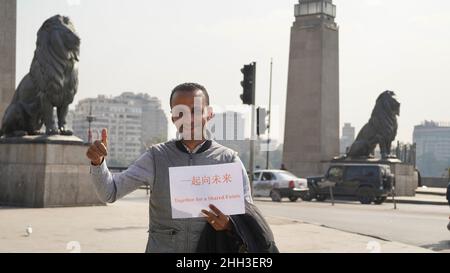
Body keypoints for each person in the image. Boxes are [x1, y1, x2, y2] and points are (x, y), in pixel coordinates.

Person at [86, 83, 253, 252]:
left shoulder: (228, 160)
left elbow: (249, 217)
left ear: (209, 114)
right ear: (173, 117)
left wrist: (230, 225)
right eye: (180, 112)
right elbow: (110, 192)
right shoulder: (156, 157)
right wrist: (98, 163)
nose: (188, 119)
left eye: (195, 111)